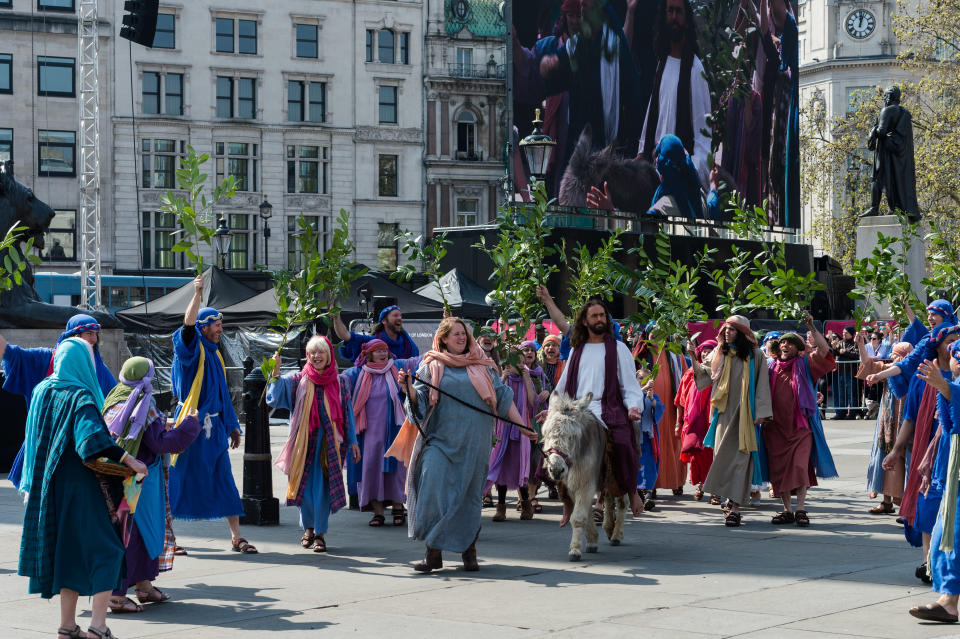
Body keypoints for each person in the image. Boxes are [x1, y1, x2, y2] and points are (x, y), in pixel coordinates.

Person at [18, 338, 148, 639]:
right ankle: (98, 627)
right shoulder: (80, 397)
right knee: (108, 550)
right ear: (83, 363)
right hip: (83, 489)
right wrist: (130, 459)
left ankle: (67, 627)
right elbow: (90, 442)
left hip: (49, 492)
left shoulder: (41, 391)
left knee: (68, 555)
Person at [399, 317, 526, 573]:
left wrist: (524, 427)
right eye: (455, 334)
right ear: (443, 338)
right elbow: (419, 403)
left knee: (467, 499)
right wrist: (409, 390)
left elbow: (503, 398)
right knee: (432, 492)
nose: (461, 338)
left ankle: (469, 551)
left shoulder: (483, 366)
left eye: (464, 334)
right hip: (440, 443)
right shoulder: (430, 365)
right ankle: (433, 551)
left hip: (474, 444)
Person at [102, 357, 201, 613]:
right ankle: (117, 596)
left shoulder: (114, 396)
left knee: (135, 533)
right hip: (140, 481)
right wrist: (190, 424)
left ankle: (144, 585)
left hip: (117, 478)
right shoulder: (145, 404)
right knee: (136, 534)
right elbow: (160, 444)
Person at [167, 274, 257, 554]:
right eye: (217, 325)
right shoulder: (190, 353)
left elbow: (221, 396)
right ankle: (168, 539)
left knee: (225, 482)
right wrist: (197, 294)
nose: (221, 329)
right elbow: (187, 327)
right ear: (204, 327)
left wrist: (232, 426)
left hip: (214, 431)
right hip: (190, 429)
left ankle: (236, 537)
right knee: (178, 481)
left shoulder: (215, 354)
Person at [555, 296, 648, 517]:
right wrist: (552, 410)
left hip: (609, 407)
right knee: (555, 448)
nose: (599, 319)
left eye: (602, 315)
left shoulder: (619, 348)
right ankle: (567, 501)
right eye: (594, 316)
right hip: (578, 410)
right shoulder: (577, 350)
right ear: (585, 322)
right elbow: (563, 386)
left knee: (625, 444)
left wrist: (634, 406)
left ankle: (632, 492)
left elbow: (630, 385)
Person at [2, 314, 117, 490]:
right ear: (72, 339)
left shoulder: (99, 368)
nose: (93, 339)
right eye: (88, 334)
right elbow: (10, 354)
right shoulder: (44, 369)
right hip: (46, 447)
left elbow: (115, 403)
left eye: (95, 334)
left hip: (79, 453)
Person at [267, 336, 360, 552]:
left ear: (329, 356)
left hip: (328, 444)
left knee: (323, 490)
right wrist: (275, 371)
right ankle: (307, 527)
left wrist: (353, 440)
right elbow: (274, 397)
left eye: (321, 352)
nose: (316, 356)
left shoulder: (341, 381)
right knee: (303, 488)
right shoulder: (297, 379)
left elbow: (348, 413)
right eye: (312, 353)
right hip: (302, 444)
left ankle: (319, 533)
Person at [691, 315, 773, 527]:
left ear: (743, 333)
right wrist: (692, 357)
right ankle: (728, 500)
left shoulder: (756, 356)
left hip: (746, 415)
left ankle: (734, 507)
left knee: (740, 461)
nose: (727, 333)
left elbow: (763, 384)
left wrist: (762, 411)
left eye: (732, 330)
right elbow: (705, 376)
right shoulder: (720, 354)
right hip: (722, 415)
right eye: (725, 330)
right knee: (722, 457)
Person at [763, 319, 837, 527]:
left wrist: (812, 327)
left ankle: (801, 509)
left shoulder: (806, 364)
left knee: (800, 467)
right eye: (782, 343)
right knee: (779, 470)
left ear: (797, 349)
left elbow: (824, 350)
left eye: (790, 343)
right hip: (774, 428)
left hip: (800, 428)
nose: (785, 345)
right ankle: (787, 510)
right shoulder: (770, 367)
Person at [910, 342, 960, 623]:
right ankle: (948, 601)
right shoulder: (952, 383)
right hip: (952, 476)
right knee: (945, 535)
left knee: (953, 536)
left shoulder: (953, 386)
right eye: (957, 356)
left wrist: (945, 386)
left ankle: (949, 602)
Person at [342, 339, 416, 527]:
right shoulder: (357, 373)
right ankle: (378, 513)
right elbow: (337, 382)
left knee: (398, 470)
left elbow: (420, 361)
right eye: (378, 351)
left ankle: (399, 508)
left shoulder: (397, 367)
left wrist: (440, 344)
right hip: (368, 434)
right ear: (369, 355)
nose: (383, 354)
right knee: (371, 470)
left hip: (395, 431)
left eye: (385, 350)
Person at [638, 0, 711, 185]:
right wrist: (641, 154)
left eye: (678, 12)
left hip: (679, 180)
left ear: (686, 20)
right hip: (655, 176)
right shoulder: (661, 64)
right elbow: (652, 118)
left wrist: (688, 174)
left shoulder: (695, 70)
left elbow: (703, 140)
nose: (673, 17)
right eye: (670, 11)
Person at [487, 342, 548, 521]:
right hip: (503, 429)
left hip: (522, 430)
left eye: (521, 361)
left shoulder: (527, 378)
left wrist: (526, 376)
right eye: (514, 360)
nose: (518, 364)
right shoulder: (502, 378)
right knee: (502, 467)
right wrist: (503, 377)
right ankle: (501, 507)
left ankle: (526, 504)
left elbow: (533, 402)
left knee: (522, 466)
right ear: (507, 362)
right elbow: (494, 400)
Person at [857, 336, 912, 515]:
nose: (895, 360)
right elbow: (868, 364)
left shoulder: (914, 373)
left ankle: (906, 506)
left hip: (907, 426)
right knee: (885, 457)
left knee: (905, 462)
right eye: (894, 356)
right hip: (888, 424)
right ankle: (886, 502)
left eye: (899, 356)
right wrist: (860, 344)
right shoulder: (889, 369)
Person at [634, 323, 688, 498]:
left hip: (670, 408)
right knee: (651, 445)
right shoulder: (640, 354)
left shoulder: (675, 354)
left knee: (672, 442)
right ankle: (651, 485)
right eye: (653, 331)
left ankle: (676, 481)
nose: (656, 335)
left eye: (661, 331)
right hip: (647, 409)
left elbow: (686, 379)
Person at [860, 85, 921, 223]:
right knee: (894, 180)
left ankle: (874, 207)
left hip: (885, 152)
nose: (883, 99)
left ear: (888, 97)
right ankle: (895, 207)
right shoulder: (904, 112)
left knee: (877, 177)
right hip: (899, 155)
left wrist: (872, 131)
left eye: (884, 96)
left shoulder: (887, 110)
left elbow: (881, 132)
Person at [676, 340, 717, 502]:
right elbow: (680, 400)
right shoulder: (689, 373)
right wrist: (677, 423)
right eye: (704, 351)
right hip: (693, 422)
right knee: (696, 456)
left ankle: (714, 491)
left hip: (711, 420)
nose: (706, 354)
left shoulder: (717, 372)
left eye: (710, 351)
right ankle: (700, 486)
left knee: (713, 455)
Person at [334, 305, 419, 362]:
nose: (400, 318)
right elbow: (345, 335)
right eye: (395, 315)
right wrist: (336, 316)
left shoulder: (408, 343)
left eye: (400, 316)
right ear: (384, 321)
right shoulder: (372, 342)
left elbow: (416, 363)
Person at [636, 367, 665, 508]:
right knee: (635, 465)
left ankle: (648, 493)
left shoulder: (652, 395)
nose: (644, 381)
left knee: (649, 465)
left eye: (647, 379)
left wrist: (652, 399)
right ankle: (637, 493)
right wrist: (643, 389)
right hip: (634, 437)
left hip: (648, 436)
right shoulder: (633, 394)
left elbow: (659, 409)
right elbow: (631, 402)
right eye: (641, 378)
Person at [830, 326, 859, 419]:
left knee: (851, 393)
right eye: (843, 332)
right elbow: (835, 355)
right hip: (840, 371)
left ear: (851, 333)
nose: (843, 334)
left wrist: (845, 352)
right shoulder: (841, 342)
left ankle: (852, 413)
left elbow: (857, 355)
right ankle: (841, 412)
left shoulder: (855, 343)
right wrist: (834, 348)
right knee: (841, 393)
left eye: (845, 333)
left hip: (851, 372)